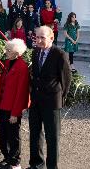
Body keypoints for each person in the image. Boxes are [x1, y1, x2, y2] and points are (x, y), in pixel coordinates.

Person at [27, 26, 71, 169]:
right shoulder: (35, 52)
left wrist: (60, 99)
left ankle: (52, 167)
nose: (39, 40)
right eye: (37, 37)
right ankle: (37, 164)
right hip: (36, 100)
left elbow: (66, 80)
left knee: (52, 137)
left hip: (52, 101)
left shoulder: (60, 54)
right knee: (35, 134)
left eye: (42, 37)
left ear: (51, 38)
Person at [0, 38, 29, 169]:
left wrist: (15, 113)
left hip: (12, 107)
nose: (6, 52)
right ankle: (6, 157)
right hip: (3, 105)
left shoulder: (22, 67)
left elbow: (21, 92)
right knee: (3, 134)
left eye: (8, 50)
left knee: (13, 135)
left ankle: (15, 162)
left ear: (17, 53)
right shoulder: (8, 62)